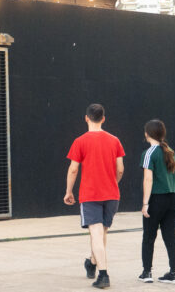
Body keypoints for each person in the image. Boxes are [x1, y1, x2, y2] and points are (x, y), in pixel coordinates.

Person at [64, 103, 125, 290]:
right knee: (102, 232)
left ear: (86, 118)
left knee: (96, 234)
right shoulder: (115, 140)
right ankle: (91, 262)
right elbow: (120, 168)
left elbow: (74, 169)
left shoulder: (80, 141)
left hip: (90, 194)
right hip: (111, 194)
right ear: (104, 118)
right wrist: (113, 182)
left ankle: (104, 275)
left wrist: (68, 191)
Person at [139, 119, 175, 285]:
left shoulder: (149, 153)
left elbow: (148, 179)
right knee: (170, 237)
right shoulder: (170, 151)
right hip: (172, 200)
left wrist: (145, 203)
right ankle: (174, 273)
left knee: (149, 237)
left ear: (147, 134)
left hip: (156, 199)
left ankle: (147, 272)